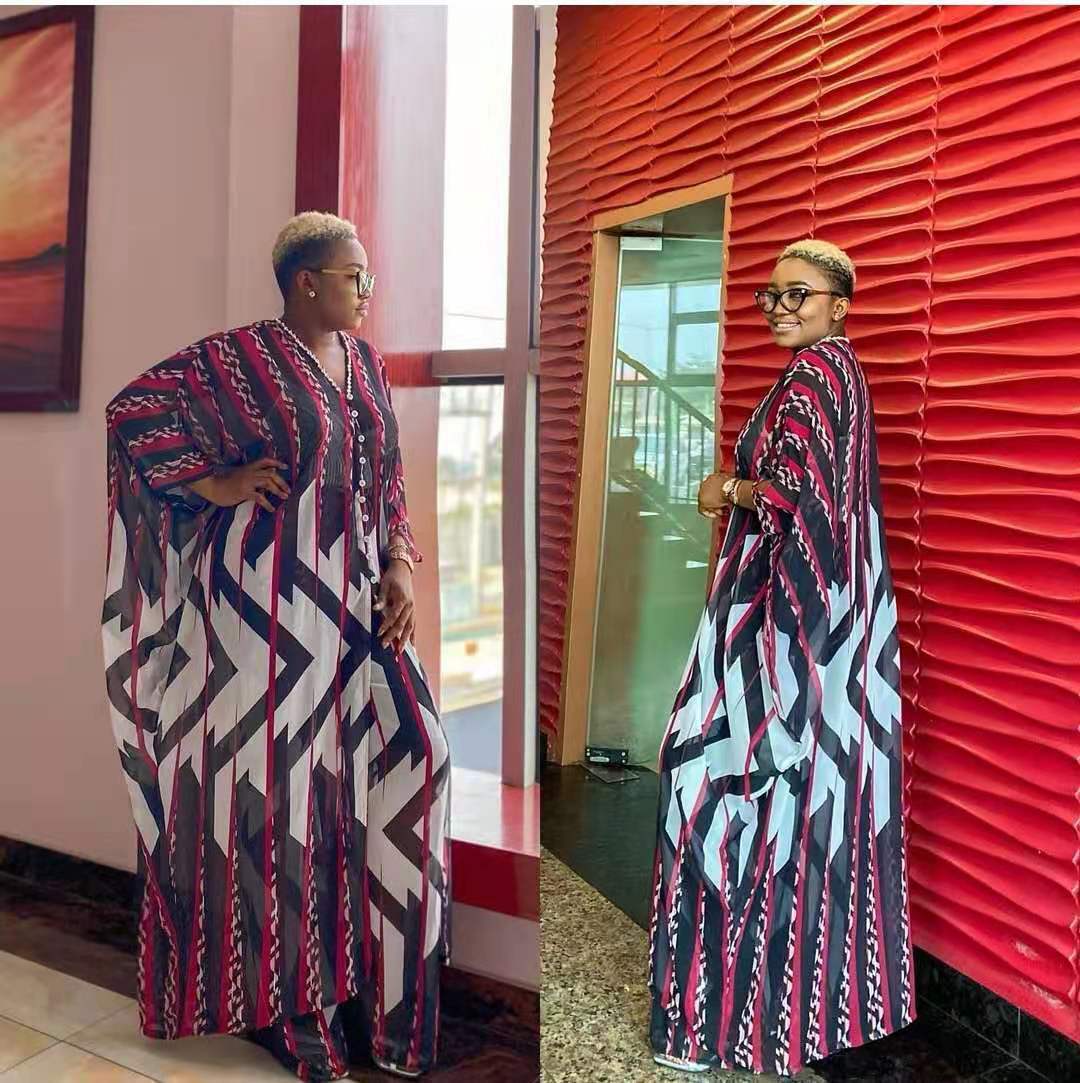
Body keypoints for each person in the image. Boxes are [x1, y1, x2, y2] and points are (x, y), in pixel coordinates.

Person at [102, 211, 449, 1081]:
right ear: (305, 281)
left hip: (360, 607)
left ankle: (388, 1008)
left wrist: (401, 565)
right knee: (285, 803)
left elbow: (389, 477)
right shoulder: (240, 360)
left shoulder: (365, 365)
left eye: (365, 275)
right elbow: (134, 413)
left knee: (420, 759)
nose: (366, 289)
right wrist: (212, 482)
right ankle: (296, 1015)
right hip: (263, 614)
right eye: (352, 275)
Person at [647, 240, 913, 1076]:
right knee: (787, 815)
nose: (782, 306)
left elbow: (794, 504)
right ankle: (770, 1022)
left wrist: (722, 488)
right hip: (825, 633)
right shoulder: (842, 378)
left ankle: (704, 1024)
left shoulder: (815, 376)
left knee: (706, 793)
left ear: (841, 303)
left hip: (776, 635)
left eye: (801, 292)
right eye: (773, 295)